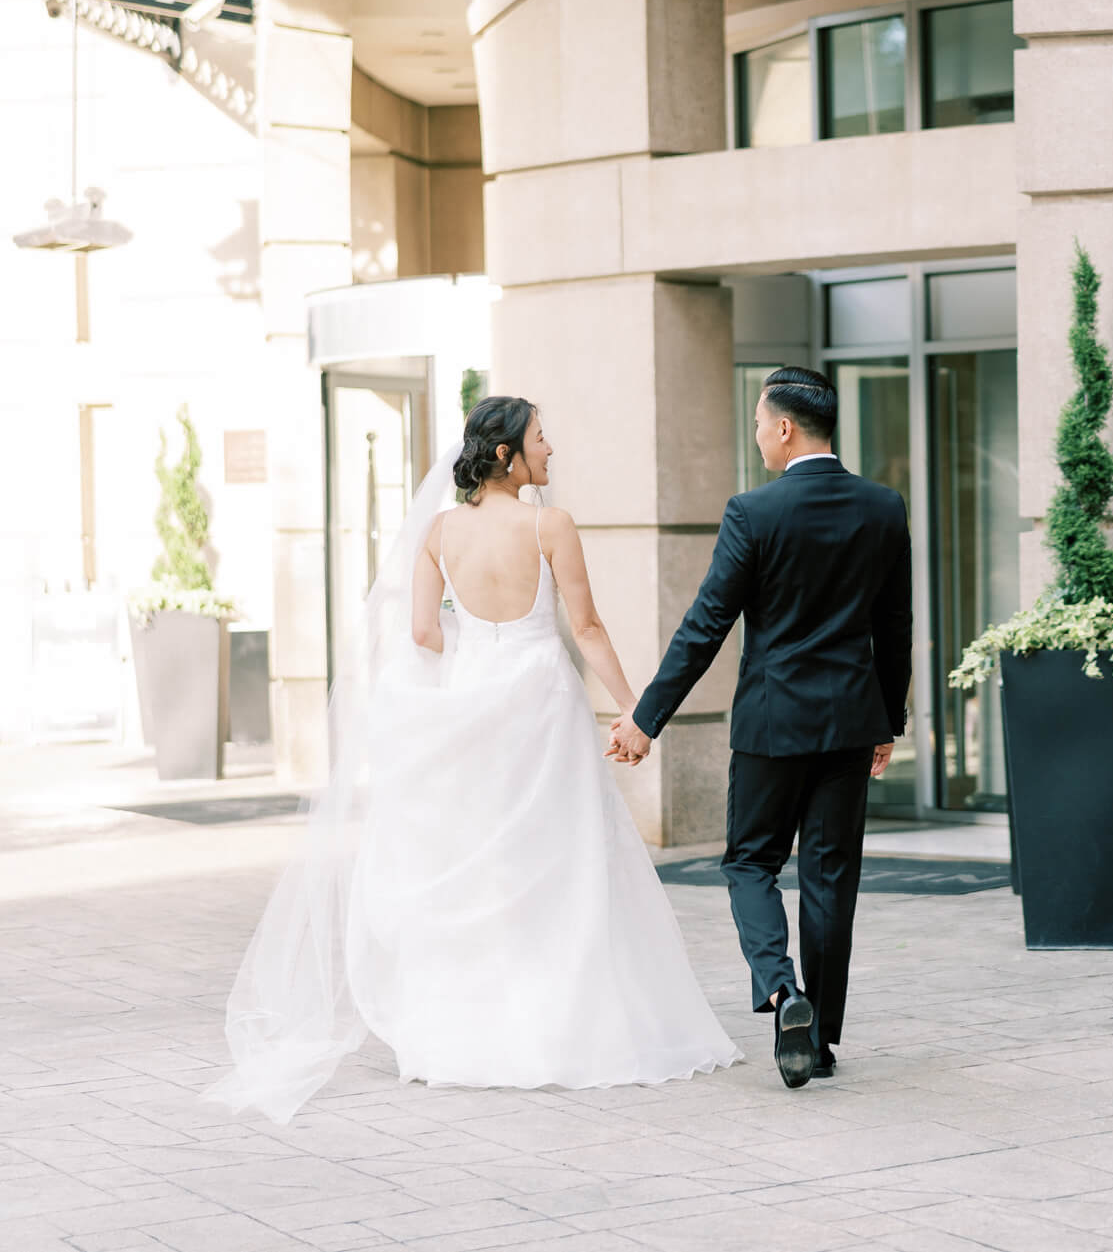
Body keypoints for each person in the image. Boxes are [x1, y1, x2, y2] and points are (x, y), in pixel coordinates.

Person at [205, 397, 738, 1124]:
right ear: (506, 455)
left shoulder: (439, 531)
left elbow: (423, 632)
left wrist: (474, 651)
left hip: (471, 710)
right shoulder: (551, 524)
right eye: (541, 439)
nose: (551, 450)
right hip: (542, 708)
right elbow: (584, 625)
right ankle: (559, 1023)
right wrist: (634, 711)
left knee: (484, 870)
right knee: (561, 865)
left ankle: (473, 1032)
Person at [608, 366, 912, 1089]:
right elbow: (895, 627)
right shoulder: (882, 506)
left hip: (772, 724)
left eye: (756, 423)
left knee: (749, 862)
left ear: (784, 428)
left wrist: (646, 719)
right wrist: (888, 719)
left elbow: (705, 626)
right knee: (830, 878)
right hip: (848, 722)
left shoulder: (754, 513)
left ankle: (784, 994)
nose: (755, 436)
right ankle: (825, 1041)